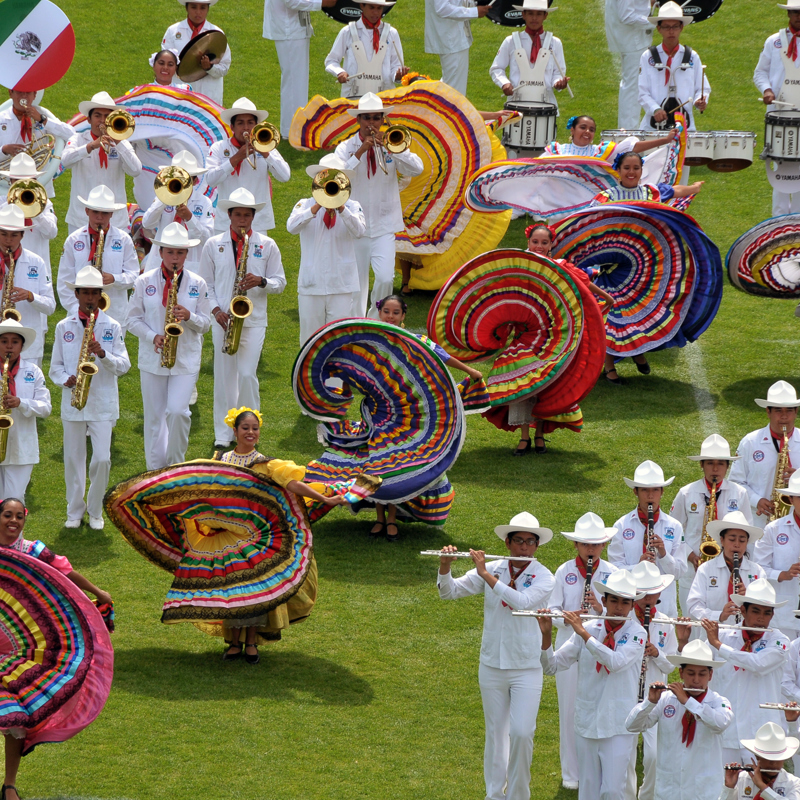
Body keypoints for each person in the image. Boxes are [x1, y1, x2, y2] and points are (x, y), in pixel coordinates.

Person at [0, 497, 113, 800]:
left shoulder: (33, 551)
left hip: (21, 652)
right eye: (7, 516)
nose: (13, 522)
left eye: (19, 517)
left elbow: (66, 573)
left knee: (17, 719)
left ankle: (9, 785)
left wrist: (97, 593)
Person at [437, 512, 555, 800]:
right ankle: (493, 795)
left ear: (537, 546)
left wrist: (486, 575)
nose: (524, 548)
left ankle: (518, 795)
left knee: (523, 732)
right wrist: (444, 567)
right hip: (491, 664)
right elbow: (448, 593)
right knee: (496, 733)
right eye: (519, 541)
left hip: (527, 667)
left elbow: (522, 602)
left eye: (530, 542)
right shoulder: (491, 568)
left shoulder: (544, 576)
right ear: (507, 542)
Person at [213, 408, 346, 663]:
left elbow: (293, 484)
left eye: (255, 428)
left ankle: (250, 641)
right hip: (229, 535)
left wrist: (324, 499)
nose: (251, 432)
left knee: (255, 590)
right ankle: (233, 641)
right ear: (235, 431)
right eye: (245, 428)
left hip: (256, 537)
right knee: (233, 589)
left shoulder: (267, 463)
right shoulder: (221, 459)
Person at [373, 294, 481, 540]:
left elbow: (443, 356)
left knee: (395, 462)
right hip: (376, 410)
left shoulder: (416, 340)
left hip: (406, 412)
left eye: (395, 312)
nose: (390, 316)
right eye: (386, 311)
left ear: (404, 316)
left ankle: (391, 519)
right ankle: (379, 517)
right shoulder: (372, 339)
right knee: (376, 462)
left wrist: (469, 370)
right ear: (380, 313)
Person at [539, 569, 646, 800]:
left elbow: (615, 662)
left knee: (612, 791)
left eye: (625, 602)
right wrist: (546, 636)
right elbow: (552, 667)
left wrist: (583, 634)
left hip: (619, 725)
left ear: (631, 605)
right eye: (614, 600)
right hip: (587, 722)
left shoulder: (637, 633)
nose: (619, 607)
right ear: (604, 601)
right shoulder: (588, 627)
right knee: (588, 792)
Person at [199, 188, 286, 448]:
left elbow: (280, 283)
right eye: (238, 214)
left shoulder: (266, 244)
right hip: (223, 319)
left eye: (247, 215)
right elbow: (206, 285)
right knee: (224, 377)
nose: (242, 219)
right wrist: (215, 310)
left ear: (253, 216)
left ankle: (249, 429)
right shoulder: (213, 244)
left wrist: (261, 281)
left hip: (254, 319)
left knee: (247, 374)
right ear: (229, 215)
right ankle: (224, 434)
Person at [517, 222, 613, 454]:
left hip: (552, 334)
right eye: (535, 242)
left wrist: (606, 298)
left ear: (551, 245)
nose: (539, 246)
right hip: (522, 332)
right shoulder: (518, 263)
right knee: (520, 383)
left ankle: (539, 434)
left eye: (544, 242)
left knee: (546, 383)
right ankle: (523, 437)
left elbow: (584, 283)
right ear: (528, 242)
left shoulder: (560, 265)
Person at [49, 266, 130, 531]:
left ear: (100, 295)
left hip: (102, 402)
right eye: (85, 292)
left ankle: (95, 509)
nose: (90, 298)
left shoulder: (112, 325)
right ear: (77, 294)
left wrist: (103, 354)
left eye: (95, 293)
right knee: (73, 459)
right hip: (73, 401)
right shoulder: (64, 326)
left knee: (102, 459)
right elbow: (55, 367)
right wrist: (66, 380)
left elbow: (124, 365)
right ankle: (74, 511)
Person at [125, 222, 211, 470]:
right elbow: (132, 319)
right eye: (170, 252)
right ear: (161, 252)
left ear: (187, 254)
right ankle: (154, 471)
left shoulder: (198, 283)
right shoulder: (144, 282)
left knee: (177, 412)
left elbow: (205, 324)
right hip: (153, 359)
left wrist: (189, 316)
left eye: (180, 252)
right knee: (154, 419)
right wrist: (153, 336)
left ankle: (176, 466)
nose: (175, 257)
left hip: (185, 359)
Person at [334, 94, 423, 318]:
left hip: (384, 224)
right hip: (356, 226)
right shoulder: (346, 147)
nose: (371, 123)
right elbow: (338, 178)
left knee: (385, 278)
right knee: (357, 282)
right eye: (366, 118)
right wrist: (361, 151)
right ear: (358, 120)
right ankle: (355, 322)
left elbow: (417, 169)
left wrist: (396, 150)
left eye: (376, 118)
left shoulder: (391, 143)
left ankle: (374, 319)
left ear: (383, 120)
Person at [549, 512, 619, 791]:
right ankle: (571, 772)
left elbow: (619, 615)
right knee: (569, 707)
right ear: (576, 546)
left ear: (603, 546)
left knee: (598, 704)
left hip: (599, 645)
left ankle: (598, 768)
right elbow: (551, 611)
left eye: (596, 545)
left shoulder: (613, 574)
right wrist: (567, 617)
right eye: (585, 545)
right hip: (568, 641)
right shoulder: (564, 571)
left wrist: (600, 610)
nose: (591, 550)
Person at [625, 639, 732, 800]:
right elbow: (632, 726)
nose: (696, 680)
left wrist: (687, 702)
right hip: (669, 789)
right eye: (690, 673)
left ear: (710, 675)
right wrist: (649, 702)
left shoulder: (719, 702)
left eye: (702, 674)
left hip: (704, 792)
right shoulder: (665, 699)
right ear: (681, 673)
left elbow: (720, 724)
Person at [702, 578, 790, 766]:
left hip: (762, 731)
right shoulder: (725, 634)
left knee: (757, 790)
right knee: (724, 790)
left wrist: (718, 645)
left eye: (767, 613)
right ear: (743, 611)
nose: (761, 618)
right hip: (727, 729)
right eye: (756, 611)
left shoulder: (780, 641)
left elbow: (757, 663)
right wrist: (683, 643)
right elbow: (696, 666)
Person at [671, 435, 754, 618]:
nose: (715, 469)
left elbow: (747, 532)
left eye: (721, 464)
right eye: (710, 463)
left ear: (727, 466)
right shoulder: (686, 493)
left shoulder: (739, 493)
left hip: (728, 568)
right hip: (693, 568)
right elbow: (674, 532)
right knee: (693, 621)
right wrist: (690, 555)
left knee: (728, 621)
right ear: (701, 465)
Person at [286, 154, 365, 344]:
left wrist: (342, 209)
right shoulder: (304, 204)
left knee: (339, 341)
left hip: (341, 285)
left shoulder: (353, 206)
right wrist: (315, 207)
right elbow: (291, 227)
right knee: (309, 340)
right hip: (311, 285)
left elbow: (360, 231)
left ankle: (337, 375)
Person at [628, 561, 687, 800]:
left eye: (653, 593)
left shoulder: (664, 622)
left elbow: (671, 665)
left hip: (655, 697)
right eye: (644, 594)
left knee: (652, 755)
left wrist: (655, 653)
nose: (649, 599)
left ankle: (647, 795)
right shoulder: (625, 618)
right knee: (626, 754)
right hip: (626, 691)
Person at [608, 460, 687, 618]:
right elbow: (614, 570)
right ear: (635, 492)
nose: (650, 496)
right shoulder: (622, 525)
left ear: (662, 492)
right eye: (645, 490)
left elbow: (680, 572)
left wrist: (664, 555)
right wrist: (638, 566)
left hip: (663, 605)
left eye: (655, 490)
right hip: (629, 606)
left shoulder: (674, 526)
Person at [205, 97, 290, 236]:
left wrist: (266, 154)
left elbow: (285, 176)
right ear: (232, 127)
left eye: (250, 123)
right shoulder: (219, 148)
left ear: (256, 125)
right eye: (240, 123)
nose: (246, 128)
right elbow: (210, 179)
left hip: (258, 222)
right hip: (226, 223)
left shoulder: (267, 147)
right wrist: (236, 158)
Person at [60, 91, 142, 233]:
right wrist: (91, 146)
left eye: (107, 116)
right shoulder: (77, 139)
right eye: (98, 116)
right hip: (81, 219)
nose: (102, 121)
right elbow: (66, 161)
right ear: (89, 119)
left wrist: (119, 143)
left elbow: (136, 170)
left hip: (115, 220)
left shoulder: (122, 143)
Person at [57, 185, 139, 328]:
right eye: (95, 212)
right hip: (79, 313)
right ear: (87, 211)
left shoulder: (124, 239)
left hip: (114, 312)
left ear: (112, 214)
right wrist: (75, 310)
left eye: (105, 213)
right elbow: (64, 281)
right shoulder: (73, 240)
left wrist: (114, 278)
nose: (99, 218)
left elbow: (134, 276)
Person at [730, 380, 800, 529]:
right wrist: (757, 500)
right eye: (778, 411)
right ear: (768, 411)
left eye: (789, 410)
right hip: (759, 522)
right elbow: (735, 483)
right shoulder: (750, 442)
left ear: (796, 412)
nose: (784, 417)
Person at [262, 0, 336, 138]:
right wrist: (322, 3)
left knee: (296, 81)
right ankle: (293, 130)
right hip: (289, 28)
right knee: (294, 82)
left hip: (294, 27)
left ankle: (293, 128)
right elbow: (291, 2)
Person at [753, 0, 800, 216]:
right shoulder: (774, 41)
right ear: (789, 14)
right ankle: (778, 223)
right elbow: (760, 72)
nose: (798, 16)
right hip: (778, 114)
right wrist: (767, 90)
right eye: (795, 12)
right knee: (778, 168)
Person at [637, 1, 709, 133]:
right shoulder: (647, 57)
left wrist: (700, 100)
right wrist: (655, 109)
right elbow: (642, 92)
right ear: (659, 29)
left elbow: (702, 87)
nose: (671, 31)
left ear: (681, 27)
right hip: (653, 126)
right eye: (666, 27)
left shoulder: (692, 56)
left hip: (685, 126)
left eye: (675, 27)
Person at [0, 320, 51, 501]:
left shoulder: (33, 371)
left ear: (22, 346)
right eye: (4, 341)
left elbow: (45, 408)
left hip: (22, 448)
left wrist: (21, 403)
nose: (9, 346)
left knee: (14, 503)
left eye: (15, 342)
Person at [686, 511, 765, 628]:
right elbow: (694, 605)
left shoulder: (757, 571)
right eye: (732, 540)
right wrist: (718, 616)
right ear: (722, 540)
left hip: (745, 633)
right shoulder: (706, 569)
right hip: (713, 633)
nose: (737, 545)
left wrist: (749, 598)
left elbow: (765, 607)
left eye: (742, 540)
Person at [0, 205, 55, 369]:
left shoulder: (36, 262)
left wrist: (31, 296)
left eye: (14, 235)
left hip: (29, 347)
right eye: (3, 234)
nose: (8, 240)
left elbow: (50, 306)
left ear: (22, 235)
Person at [141, 151, 214, 271]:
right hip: (159, 262)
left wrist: (190, 219)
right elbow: (147, 223)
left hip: (190, 264)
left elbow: (207, 239)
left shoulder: (204, 202)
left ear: (195, 181)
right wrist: (164, 199)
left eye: (186, 179)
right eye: (177, 179)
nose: (182, 183)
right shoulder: (161, 198)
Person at [489, 0, 569, 107]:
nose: (534, 18)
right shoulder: (511, 41)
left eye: (539, 14)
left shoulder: (555, 43)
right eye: (530, 13)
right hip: (516, 102)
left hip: (545, 105)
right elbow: (497, 68)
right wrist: (504, 83)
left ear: (545, 16)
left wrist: (558, 83)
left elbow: (558, 73)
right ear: (523, 15)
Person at [324, 0, 410, 98]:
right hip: (353, 97)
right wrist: (340, 72)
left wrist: (397, 75)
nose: (376, 12)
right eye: (372, 7)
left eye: (379, 8)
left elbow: (396, 65)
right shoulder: (347, 32)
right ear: (362, 6)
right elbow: (331, 61)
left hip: (383, 98)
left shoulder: (391, 33)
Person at [0, 87, 75, 198]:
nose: (24, 96)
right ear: (11, 93)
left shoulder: (42, 114)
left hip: (40, 187)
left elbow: (72, 135)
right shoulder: (1, 119)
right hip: (6, 189)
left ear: (34, 95)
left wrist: (43, 120)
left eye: (28, 92)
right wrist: (3, 150)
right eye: (20, 92)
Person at [753, 470, 800, 639]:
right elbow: (758, 569)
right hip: (784, 615)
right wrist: (783, 574)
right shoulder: (773, 529)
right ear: (791, 500)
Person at [161, 0, 232, 106]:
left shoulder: (217, 34)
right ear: (187, 8)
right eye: (194, 7)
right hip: (180, 99)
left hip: (208, 99)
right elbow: (164, 64)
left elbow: (224, 68)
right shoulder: (173, 31)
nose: (198, 12)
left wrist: (210, 68)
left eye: (202, 8)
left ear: (208, 9)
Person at [0, 154, 58, 279]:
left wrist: (36, 211)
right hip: (6, 268)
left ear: (35, 181)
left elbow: (52, 233)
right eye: (17, 181)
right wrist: (9, 207)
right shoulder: (2, 205)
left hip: (36, 271)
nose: (22, 186)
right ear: (10, 182)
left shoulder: (45, 204)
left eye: (26, 181)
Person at [604, 0, 654, 130]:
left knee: (634, 87)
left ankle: (629, 133)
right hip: (634, 40)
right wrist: (658, 22)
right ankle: (628, 135)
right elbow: (626, 15)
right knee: (633, 89)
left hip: (635, 38)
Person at [424, 0, 489, 96]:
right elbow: (442, 8)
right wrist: (474, 12)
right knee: (455, 94)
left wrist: (475, 4)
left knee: (449, 87)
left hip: (456, 38)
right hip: (452, 40)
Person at [593, 151, 703, 206]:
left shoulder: (651, 192)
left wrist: (694, 188)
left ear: (641, 170)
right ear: (618, 170)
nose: (631, 172)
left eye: (636, 168)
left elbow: (675, 190)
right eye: (627, 168)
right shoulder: (606, 198)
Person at [722, 722, 800, 799]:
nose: (773, 763)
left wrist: (762, 787)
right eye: (768, 758)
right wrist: (729, 788)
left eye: (778, 758)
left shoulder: (793, 783)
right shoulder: (743, 779)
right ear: (757, 756)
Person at [543, 114, 677, 159]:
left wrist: (665, 140)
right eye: (583, 127)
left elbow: (632, 147)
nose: (588, 132)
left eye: (592, 129)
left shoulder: (600, 152)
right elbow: (534, 166)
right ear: (572, 130)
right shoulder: (557, 151)